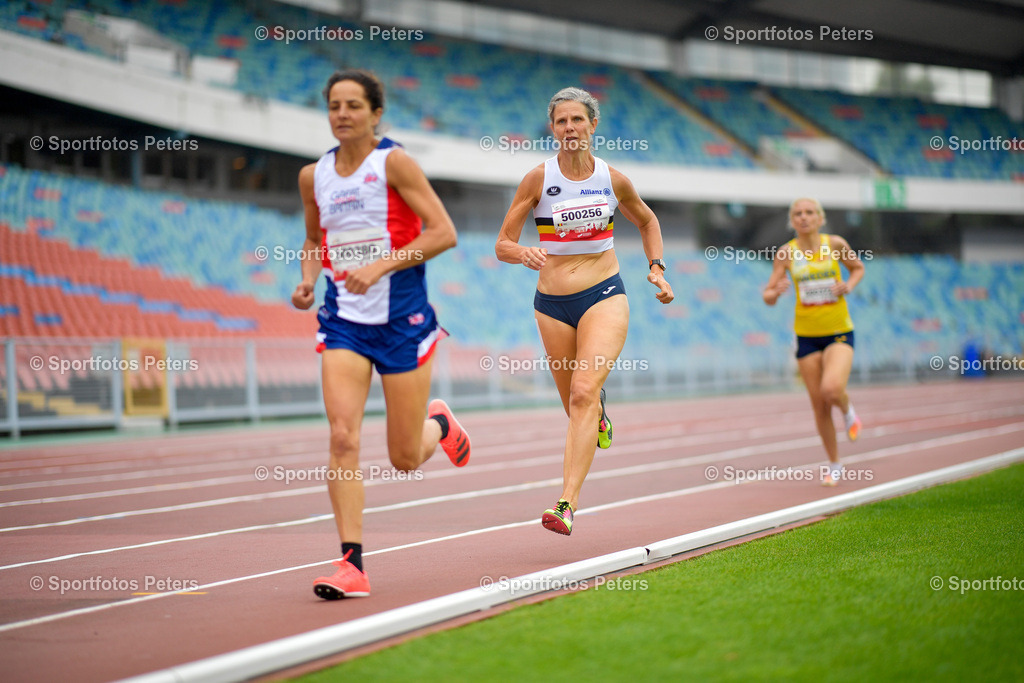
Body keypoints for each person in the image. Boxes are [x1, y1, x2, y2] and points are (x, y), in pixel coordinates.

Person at [292, 70, 471, 599]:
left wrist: (383, 267)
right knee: (343, 437)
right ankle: (352, 565)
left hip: (402, 321)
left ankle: (438, 424)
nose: (342, 113)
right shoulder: (313, 176)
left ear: (376, 114)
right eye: (334, 105)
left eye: (353, 105)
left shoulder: (394, 163)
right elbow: (310, 240)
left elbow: (444, 232)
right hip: (343, 320)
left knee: (403, 458)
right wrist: (306, 280)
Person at [495, 87, 674, 535]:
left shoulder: (613, 180)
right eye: (561, 122)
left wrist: (656, 268)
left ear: (593, 125)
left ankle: (566, 503)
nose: (570, 129)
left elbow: (647, 220)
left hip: (604, 294)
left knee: (581, 393)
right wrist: (523, 254)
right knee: (575, 407)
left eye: (578, 120)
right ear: (552, 129)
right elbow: (502, 243)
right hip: (552, 305)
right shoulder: (538, 179)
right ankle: (599, 412)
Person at [762, 198, 865, 486]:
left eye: (809, 213)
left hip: (838, 331)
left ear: (820, 218)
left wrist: (849, 285)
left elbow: (857, 268)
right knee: (819, 405)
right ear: (792, 220)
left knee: (832, 390)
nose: (804, 218)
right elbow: (767, 296)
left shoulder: (835, 244)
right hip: (806, 336)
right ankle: (834, 464)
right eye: (798, 214)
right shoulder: (785, 253)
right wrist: (776, 292)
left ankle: (848, 411)